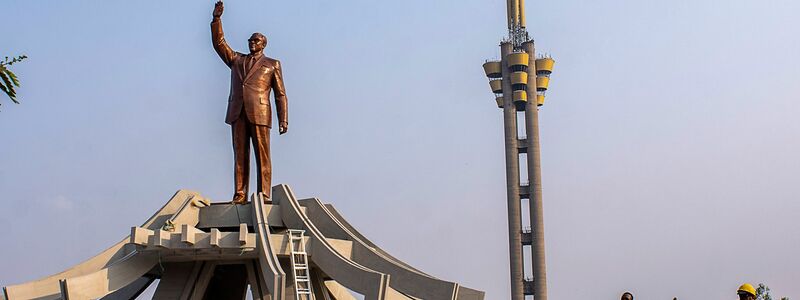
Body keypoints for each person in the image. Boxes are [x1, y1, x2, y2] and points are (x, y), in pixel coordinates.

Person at [210, 1, 288, 204]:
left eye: (256, 40)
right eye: (250, 40)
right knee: (240, 156)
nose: (252, 42)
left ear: (264, 44)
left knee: (263, 155)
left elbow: (280, 94)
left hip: (260, 113)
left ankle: (264, 194)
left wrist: (284, 119)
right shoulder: (237, 60)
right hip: (238, 111)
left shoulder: (272, 64)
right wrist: (217, 19)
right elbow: (220, 44)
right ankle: (240, 194)